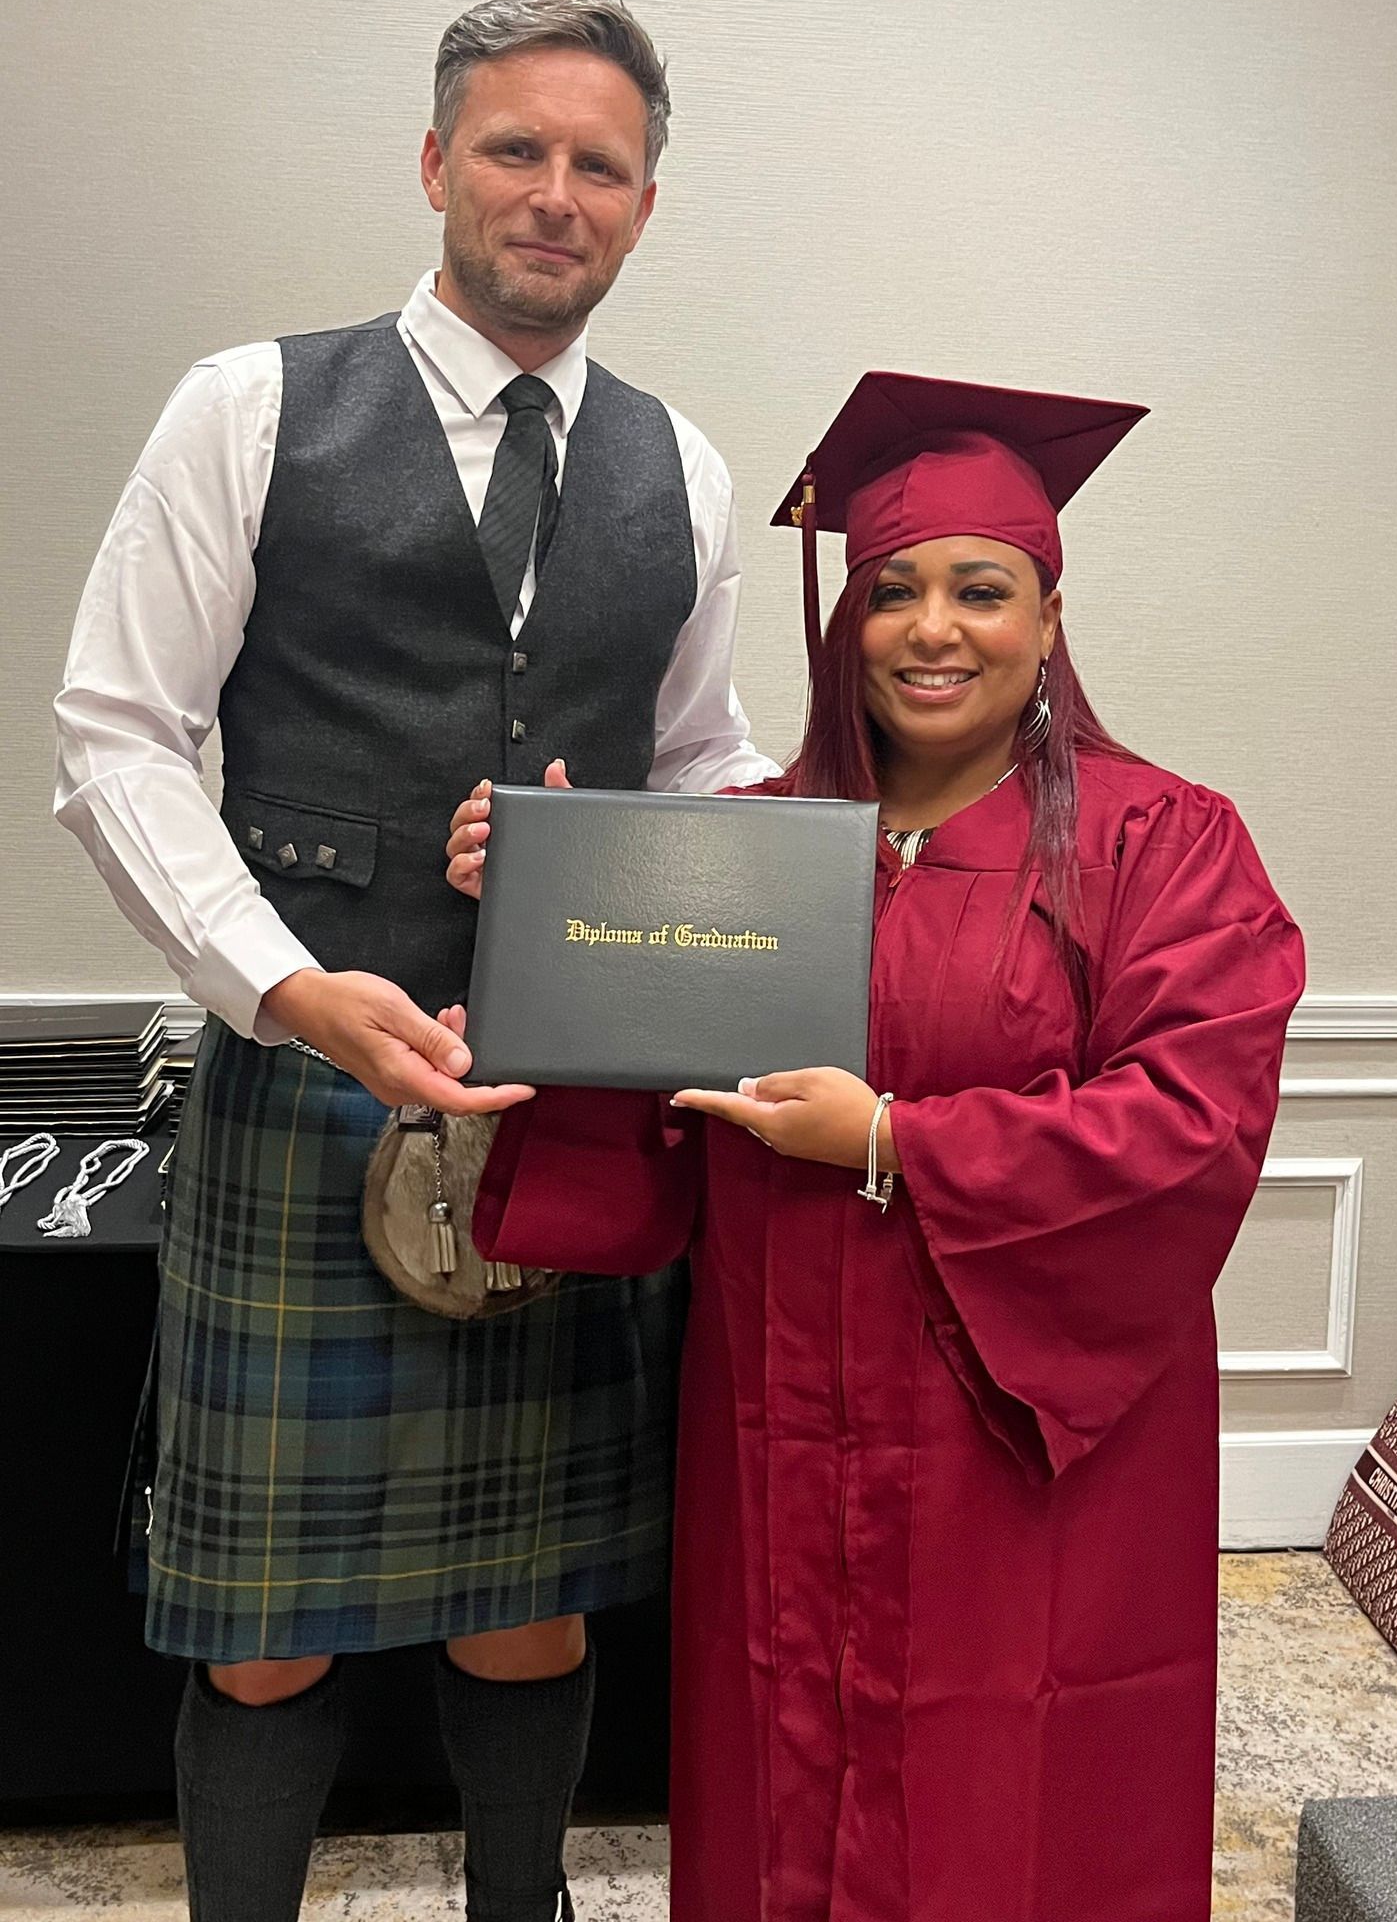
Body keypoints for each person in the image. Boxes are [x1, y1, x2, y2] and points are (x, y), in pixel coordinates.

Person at [54, 0, 774, 1922]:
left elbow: (702, 757)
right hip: (303, 1085)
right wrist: (285, 984)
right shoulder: (252, 402)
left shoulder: (684, 471)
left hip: (565, 1108)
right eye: (518, 149)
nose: (557, 193)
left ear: (645, 204)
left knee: (530, 1604)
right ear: (437, 161)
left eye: (600, 165)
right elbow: (115, 731)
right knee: (269, 1626)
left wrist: (618, 854)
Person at [449, 372, 1306, 1922]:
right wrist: (546, 908)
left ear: (1048, 619)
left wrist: (897, 1137)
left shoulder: (1158, 842)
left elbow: (1192, 1124)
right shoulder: (747, 850)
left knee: (1009, 1779)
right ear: (846, 621)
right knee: (783, 1752)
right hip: (777, 1420)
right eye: (892, 588)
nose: (933, 627)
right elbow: (637, 1104)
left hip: (1007, 1438)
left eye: (982, 590)